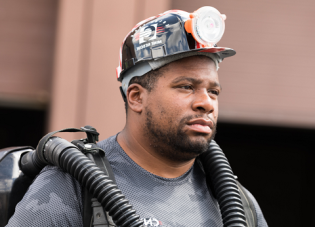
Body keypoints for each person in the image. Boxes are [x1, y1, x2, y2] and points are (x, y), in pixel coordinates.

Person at [6, 7, 268, 227]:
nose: (205, 103)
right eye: (186, 86)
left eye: (213, 91)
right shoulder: (71, 186)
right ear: (136, 97)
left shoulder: (238, 205)